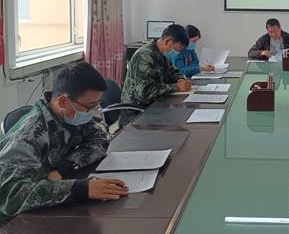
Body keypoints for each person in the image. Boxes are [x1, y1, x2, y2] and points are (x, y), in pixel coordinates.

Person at [0, 62, 128, 226]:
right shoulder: (26, 137)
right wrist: (79, 189)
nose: (94, 112)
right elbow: (10, 196)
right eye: (90, 106)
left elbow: (101, 137)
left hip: (49, 206)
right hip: (14, 222)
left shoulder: (72, 113)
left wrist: (64, 169)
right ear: (62, 102)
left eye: (97, 105)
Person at [121, 24, 192, 125]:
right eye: (178, 49)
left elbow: (174, 72)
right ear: (167, 41)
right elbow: (144, 92)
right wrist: (176, 87)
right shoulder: (144, 56)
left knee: (183, 117)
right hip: (136, 111)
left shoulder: (162, 55)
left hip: (156, 105)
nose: (177, 53)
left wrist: (180, 80)